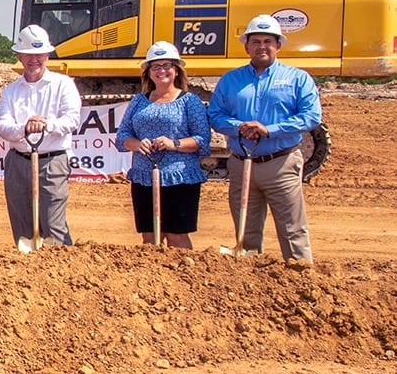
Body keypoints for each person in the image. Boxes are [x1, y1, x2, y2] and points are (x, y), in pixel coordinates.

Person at [207, 14, 321, 261]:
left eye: (268, 41)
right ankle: (250, 287)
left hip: (280, 164)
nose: (262, 46)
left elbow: (311, 116)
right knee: (245, 231)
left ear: (278, 45)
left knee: (292, 230)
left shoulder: (297, 79)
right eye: (256, 41)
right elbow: (215, 115)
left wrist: (270, 129)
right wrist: (239, 126)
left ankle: (301, 280)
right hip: (241, 164)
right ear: (246, 45)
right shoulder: (231, 80)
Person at [114, 41, 211, 249]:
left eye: (166, 65)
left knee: (176, 236)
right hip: (143, 177)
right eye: (155, 66)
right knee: (150, 238)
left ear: (176, 70)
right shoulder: (139, 101)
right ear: (148, 72)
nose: (161, 71)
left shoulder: (189, 101)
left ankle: (183, 277)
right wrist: (137, 144)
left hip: (180, 178)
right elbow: (122, 135)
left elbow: (202, 139)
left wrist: (173, 143)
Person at [0, 24, 82, 246]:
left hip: (52, 161)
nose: (34, 60)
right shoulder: (11, 91)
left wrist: (46, 124)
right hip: (18, 162)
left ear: (47, 55)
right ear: (19, 56)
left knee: (53, 225)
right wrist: (25, 128)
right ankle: (28, 276)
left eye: (40, 54)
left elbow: (72, 119)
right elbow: (3, 127)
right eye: (28, 55)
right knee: (23, 228)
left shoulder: (64, 85)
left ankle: (62, 272)